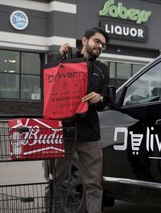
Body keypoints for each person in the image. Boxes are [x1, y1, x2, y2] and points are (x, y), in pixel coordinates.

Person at [54, 27, 110, 213]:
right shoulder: (67, 60)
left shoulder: (102, 69)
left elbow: (104, 102)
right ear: (84, 40)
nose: (100, 46)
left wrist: (100, 98)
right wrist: (59, 58)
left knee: (94, 184)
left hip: (90, 134)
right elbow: (51, 86)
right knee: (56, 181)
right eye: (97, 41)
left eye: (103, 44)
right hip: (64, 132)